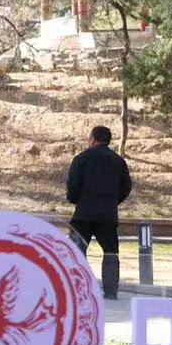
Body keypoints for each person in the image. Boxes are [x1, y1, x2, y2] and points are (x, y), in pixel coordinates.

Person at [65, 125, 132, 300]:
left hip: (83, 214)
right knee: (111, 252)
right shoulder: (119, 161)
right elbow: (126, 187)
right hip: (107, 215)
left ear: (93, 139)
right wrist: (112, 201)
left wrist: (75, 199)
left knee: (76, 251)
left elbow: (73, 185)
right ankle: (110, 292)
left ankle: (78, 289)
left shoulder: (81, 159)